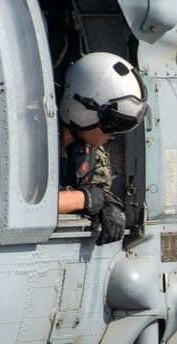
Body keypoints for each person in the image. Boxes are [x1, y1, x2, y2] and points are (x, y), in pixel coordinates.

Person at [57, 52, 147, 246]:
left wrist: (107, 201)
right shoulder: (31, 144)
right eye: (112, 125)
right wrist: (83, 198)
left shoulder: (86, 150)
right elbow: (26, 206)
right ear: (81, 109)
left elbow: (99, 189)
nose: (113, 136)